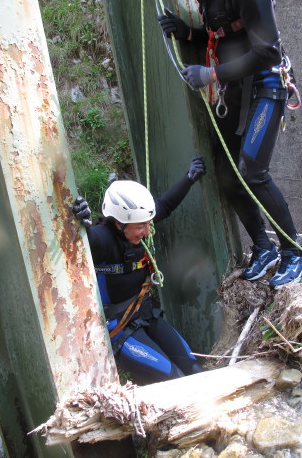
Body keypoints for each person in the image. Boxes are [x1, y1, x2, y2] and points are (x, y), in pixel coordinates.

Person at [157, 0, 302, 287]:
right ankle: (263, 248)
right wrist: (189, 33)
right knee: (226, 172)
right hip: (237, 90)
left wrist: (211, 74)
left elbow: (267, 50)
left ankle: (296, 254)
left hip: (267, 86)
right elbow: (225, 35)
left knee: (253, 171)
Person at [72, 156, 206, 384]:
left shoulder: (137, 224)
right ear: (118, 222)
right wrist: (79, 223)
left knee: (193, 366)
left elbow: (165, 205)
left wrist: (189, 178)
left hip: (145, 314)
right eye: (140, 226)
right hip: (121, 330)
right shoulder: (102, 240)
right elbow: (84, 240)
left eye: (147, 224)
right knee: (173, 378)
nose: (147, 231)